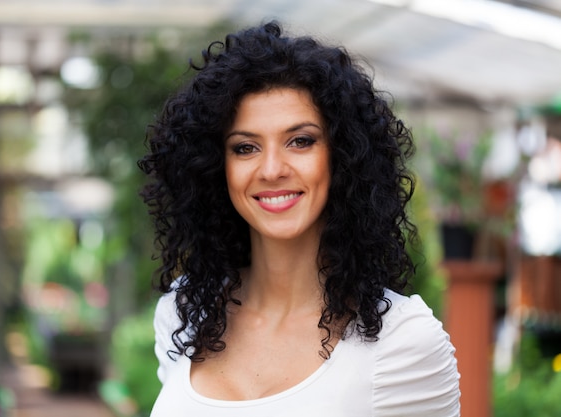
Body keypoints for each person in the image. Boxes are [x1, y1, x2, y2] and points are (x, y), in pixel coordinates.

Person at [140, 21, 460, 416]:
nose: (272, 168)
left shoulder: (403, 344)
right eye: (245, 147)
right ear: (213, 168)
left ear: (342, 157)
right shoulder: (183, 313)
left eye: (301, 141)